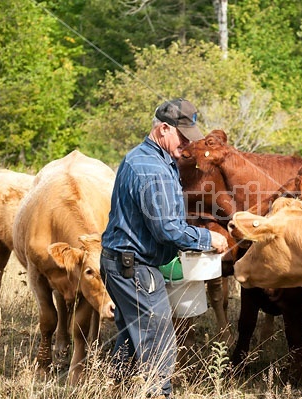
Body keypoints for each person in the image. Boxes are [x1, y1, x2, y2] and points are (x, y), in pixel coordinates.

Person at [100, 98, 229, 398]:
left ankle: (114, 389)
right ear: (163, 129)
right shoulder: (152, 169)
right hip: (133, 266)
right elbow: (166, 228)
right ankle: (159, 393)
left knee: (134, 338)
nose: (186, 145)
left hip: (125, 262)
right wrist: (207, 238)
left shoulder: (154, 159)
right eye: (183, 137)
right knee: (159, 341)